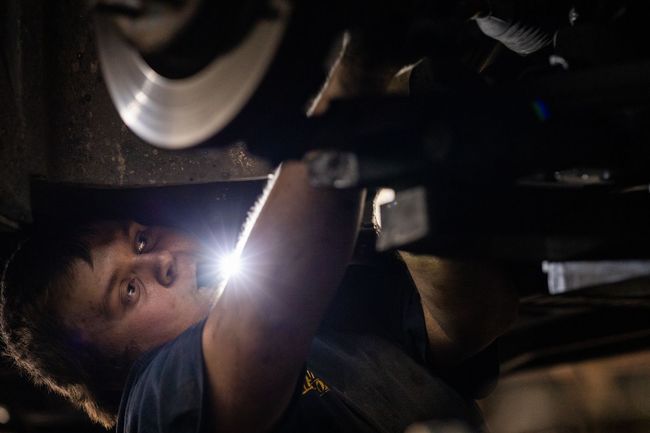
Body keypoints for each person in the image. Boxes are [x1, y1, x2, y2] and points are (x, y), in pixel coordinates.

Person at [0, 160, 517, 433]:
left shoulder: (315, 322)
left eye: (141, 240)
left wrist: (417, 227)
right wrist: (343, 112)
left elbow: (467, 326)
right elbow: (253, 337)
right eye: (128, 291)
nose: (161, 260)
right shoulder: (152, 413)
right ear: (111, 365)